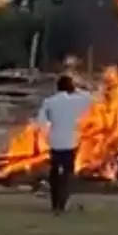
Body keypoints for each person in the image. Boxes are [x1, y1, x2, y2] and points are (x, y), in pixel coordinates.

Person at [37, 74, 92, 215]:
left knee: (54, 172)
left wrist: (46, 135)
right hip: (71, 142)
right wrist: (76, 90)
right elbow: (90, 97)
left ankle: (55, 202)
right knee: (68, 173)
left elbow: (41, 122)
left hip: (55, 142)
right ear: (70, 87)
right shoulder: (77, 101)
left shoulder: (49, 101)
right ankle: (63, 201)